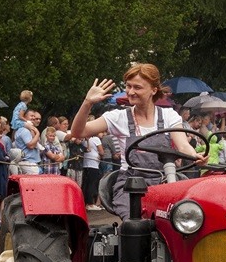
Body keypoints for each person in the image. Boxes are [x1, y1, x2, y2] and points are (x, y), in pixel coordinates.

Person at [70, 63, 202, 220]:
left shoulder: (168, 115)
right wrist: (88, 103)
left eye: (137, 87)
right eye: (128, 86)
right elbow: (78, 132)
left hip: (163, 180)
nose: (131, 92)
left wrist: (195, 156)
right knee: (135, 225)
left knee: (182, 218)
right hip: (131, 184)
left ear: (154, 90)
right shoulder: (118, 117)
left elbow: (183, 145)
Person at [14, 110, 42, 174]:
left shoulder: (29, 130)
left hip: (33, 162)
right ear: (24, 117)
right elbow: (31, 145)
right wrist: (38, 133)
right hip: (28, 163)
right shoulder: (24, 130)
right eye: (31, 116)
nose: (33, 118)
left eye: (34, 116)